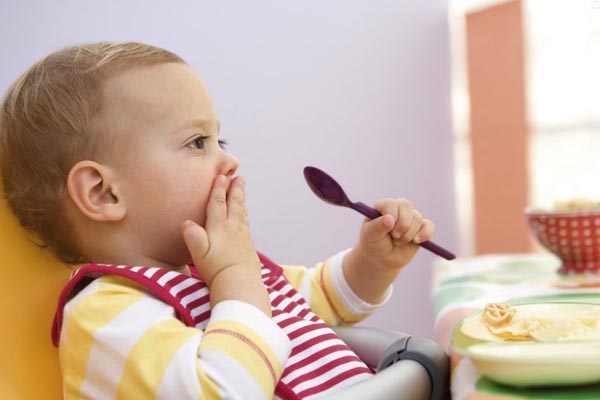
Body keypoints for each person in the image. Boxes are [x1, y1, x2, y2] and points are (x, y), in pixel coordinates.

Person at [0, 41, 434, 399]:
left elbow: (321, 300)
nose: (229, 159)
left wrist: (374, 262)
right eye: (197, 142)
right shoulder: (105, 317)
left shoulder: (219, 271)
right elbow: (225, 392)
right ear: (104, 193)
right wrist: (236, 278)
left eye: (218, 139)